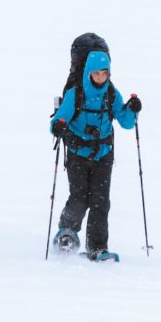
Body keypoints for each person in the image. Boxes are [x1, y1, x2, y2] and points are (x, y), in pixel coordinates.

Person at [49, 49, 141, 259]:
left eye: (104, 73)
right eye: (96, 73)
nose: (100, 78)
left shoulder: (111, 94)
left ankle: (97, 246)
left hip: (103, 154)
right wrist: (58, 126)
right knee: (80, 196)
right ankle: (67, 233)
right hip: (77, 153)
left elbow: (126, 122)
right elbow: (59, 119)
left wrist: (133, 109)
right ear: (88, 73)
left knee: (101, 201)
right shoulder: (76, 94)